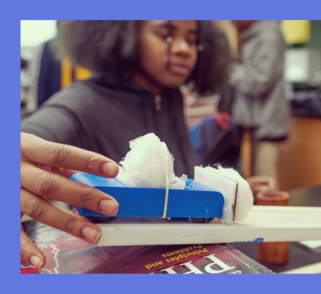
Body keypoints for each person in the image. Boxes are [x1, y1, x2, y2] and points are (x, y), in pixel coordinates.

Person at [20, 20, 230, 269]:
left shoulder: (171, 97)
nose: (185, 48)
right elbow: (32, 136)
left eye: (193, 39)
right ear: (124, 36)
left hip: (188, 258)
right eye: (167, 35)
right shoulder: (83, 100)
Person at [229, 21, 290, 181]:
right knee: (255, 182)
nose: (231, 20)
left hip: (267, 124)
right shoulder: (252, 35)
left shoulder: (268, 36)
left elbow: (258, 82)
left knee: (265, 184)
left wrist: (228, 69)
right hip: (254, 123)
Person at [26, 21, 91, 113]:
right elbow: (40, 85)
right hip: (56, 110)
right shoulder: (48, 47)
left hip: (85, 110)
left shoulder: (90, 48)